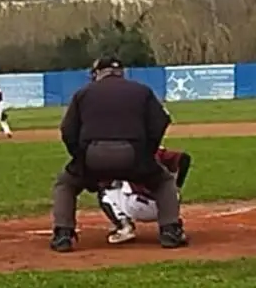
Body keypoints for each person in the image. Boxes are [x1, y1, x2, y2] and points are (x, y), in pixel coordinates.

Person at [49, 57, 187, 252]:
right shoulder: (141, 90)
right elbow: (160, 121)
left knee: (66, 184)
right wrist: (147, 152)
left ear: (97, 73)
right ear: (121, 72)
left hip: (93, 154)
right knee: (163, 181)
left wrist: (81, 157)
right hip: (133, 153)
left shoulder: (83, 93)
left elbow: (68, 130)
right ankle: (170, 231)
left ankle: (63, 234)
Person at [98, 147, 192, 244]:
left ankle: (124, 227)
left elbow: (104, 182)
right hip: (169, 206)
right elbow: (184, 159)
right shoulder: (154, 149)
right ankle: (171, 226)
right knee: (165, 186)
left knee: (104, 191)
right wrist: (175, 188)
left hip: (137, 207)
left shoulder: (118, 153)